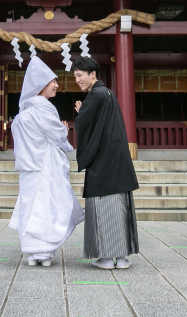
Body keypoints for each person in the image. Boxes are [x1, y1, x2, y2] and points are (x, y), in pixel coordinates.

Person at [9, 57, 84, 266]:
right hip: (44, 165)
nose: (57, 85)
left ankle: (32, 253)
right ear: (42, 85)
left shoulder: (22, 114)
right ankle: (45, 251)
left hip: (27, 167)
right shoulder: (44, 108)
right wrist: (65, 131)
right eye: (53, 81)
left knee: (29, 204)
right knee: (46, 204)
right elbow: (56, 133)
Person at [73, 56, 139, 269]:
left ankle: (105, 258)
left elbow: (86, 124)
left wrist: (80, 112)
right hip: (118, 161)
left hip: (103, 163)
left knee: (103, 209)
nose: (77, 80)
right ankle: (121, 258)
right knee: (120, 208)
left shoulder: (95, 95)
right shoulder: (108, 93)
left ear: (93, 74)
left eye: (80, 75)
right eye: (75, 76)